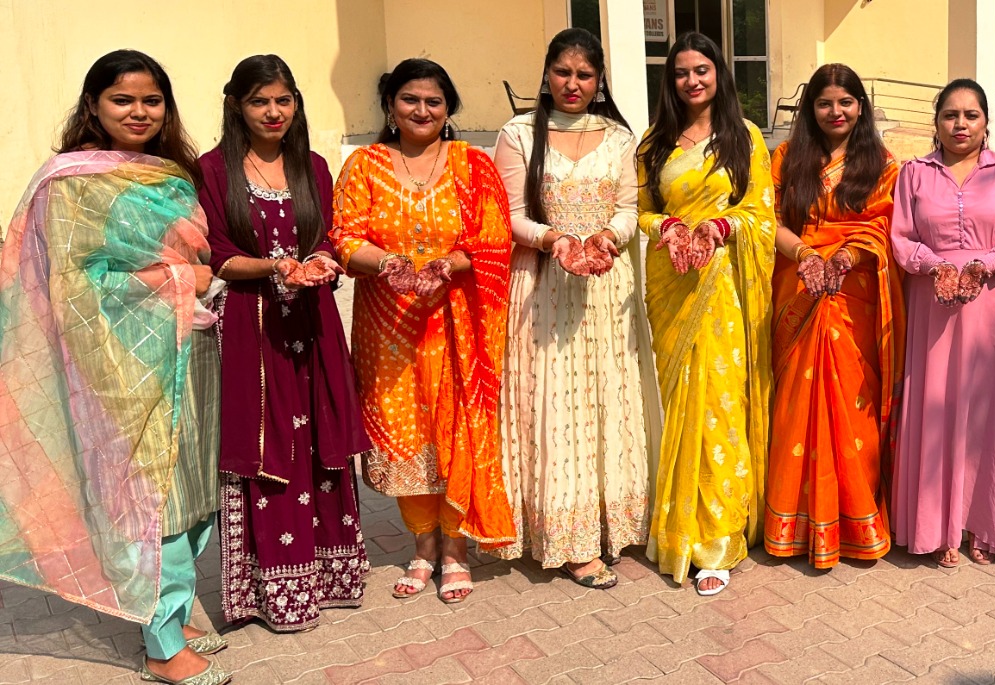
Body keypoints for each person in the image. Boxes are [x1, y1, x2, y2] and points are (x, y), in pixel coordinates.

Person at [0, 50, 228, 684]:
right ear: (93, 106)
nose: (138, 112)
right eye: (122, 100)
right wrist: (180, 280)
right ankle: (161, 648)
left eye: (151, 100)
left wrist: (190, 282)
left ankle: (172, 613)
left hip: (189, 349)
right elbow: (71, 285)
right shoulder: (71, 182)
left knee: (189, 489)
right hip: (121, 360)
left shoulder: (168, 171)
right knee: (147, 496)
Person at [196, 55, 372, 631]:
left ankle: (332, 577)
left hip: (313, 324)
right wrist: (275, 268)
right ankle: (272, 589)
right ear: (236, 106)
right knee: (267, 446)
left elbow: (327, 237)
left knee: (320, 440)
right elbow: (217, 254)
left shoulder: (312, 166)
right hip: (253, 326)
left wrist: (319, 260)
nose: (273, 112)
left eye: (283, 100)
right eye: (259, 101)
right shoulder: (213, 171)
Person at [330, 58, 514, 604]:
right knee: (403, 430)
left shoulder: (471, 164)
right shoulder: (364, 164)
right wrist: (389, 264)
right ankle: (422, 545)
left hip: (454, 322)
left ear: (448, 108)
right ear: (390, 105)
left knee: (453, 427)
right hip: (386, 325)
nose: (422, 110)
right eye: (410, 99)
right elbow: (345, 236)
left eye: (434, 101)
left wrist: (446, 266)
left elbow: (493, 238)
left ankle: (455, 548)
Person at [489, 28, 661, 589]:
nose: (573, 83)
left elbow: (629, 208)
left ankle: (612, 521)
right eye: (563, 72)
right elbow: (509, 214)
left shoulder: (618, 136)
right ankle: (568, 539)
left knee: (607, 400)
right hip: (545, 285)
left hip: (607, 288)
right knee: (555, 404)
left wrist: (609, 237)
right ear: (546, 74)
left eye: (584, 74)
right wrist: (553, 239)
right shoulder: (519, 134)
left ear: (599, 80)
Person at [636, 31, 776, 596]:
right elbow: (641, 212)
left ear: (719, 73)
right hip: (671, 287)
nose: (692, 80)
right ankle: (676, 529)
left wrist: (722, 225)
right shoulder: (655, 142)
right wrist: (668, 227)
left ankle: (718, 539)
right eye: (681, 72)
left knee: (719, 406)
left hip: (723, 290)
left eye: (702, 70)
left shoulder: (744, 136)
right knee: (677, 408)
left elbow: (761, 213)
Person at [763, 63, 902, 569]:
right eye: (825, 103)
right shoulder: (786, 157)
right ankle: (794, 525)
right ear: (811, 108)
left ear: (860, 107)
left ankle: (855, 520)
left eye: (845, 102)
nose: (835, 111)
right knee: (795, 406)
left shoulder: (882, 164)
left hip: (853, 294)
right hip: (798, 288)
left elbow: (887, 226)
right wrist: (806, 256)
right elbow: (769, 221)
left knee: (852, 406)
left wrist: (846, 255)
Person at [889, 78, 995, 568]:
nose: (960, 124)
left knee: (990, 411)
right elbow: (901, 238)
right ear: (936, 122)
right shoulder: (914, 173)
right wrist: (936, 266)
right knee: (936, 405)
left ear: (986, 122)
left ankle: (987, 523)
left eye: (971, 115)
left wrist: (982, 265)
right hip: (933, 303)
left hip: (991, 301)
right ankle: (938, 526)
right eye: (950, 115)